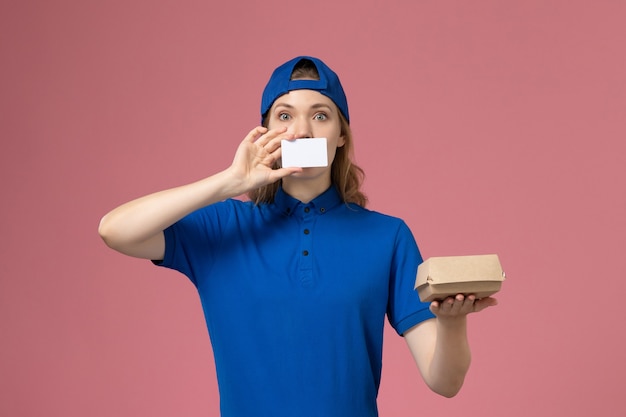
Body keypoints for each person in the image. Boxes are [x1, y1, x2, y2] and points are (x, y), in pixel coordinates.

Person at [98, 56, 497, 417]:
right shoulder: (222, 228)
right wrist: (228, 181)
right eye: (285, 117)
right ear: (264, 132)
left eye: (320, 116)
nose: (301, 132)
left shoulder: (387, 236)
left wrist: (453, 324)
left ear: (341, 135)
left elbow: (445, 383)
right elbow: (115, 231)